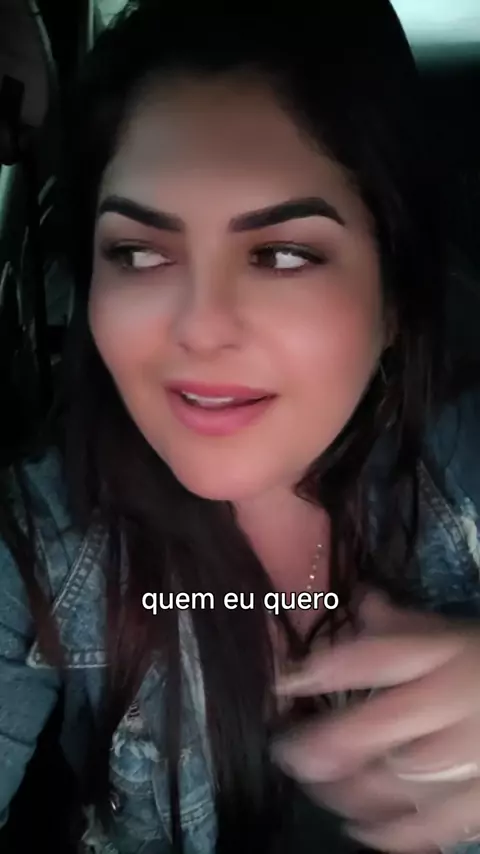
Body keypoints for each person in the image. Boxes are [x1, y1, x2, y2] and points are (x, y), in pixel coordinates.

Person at [1, 1, 480, 852]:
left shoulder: (468, 457)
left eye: (282, 254)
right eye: (139, 253)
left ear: (394, 300)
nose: (200, 328)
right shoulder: (35, 540)